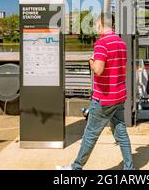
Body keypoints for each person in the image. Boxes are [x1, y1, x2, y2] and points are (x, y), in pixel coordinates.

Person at [56, 13, 134, 170]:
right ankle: (129, 168)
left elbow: (98, 70)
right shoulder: (121, 43)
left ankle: (76, 167)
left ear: (100, 25)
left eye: (95, 25)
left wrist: (91, 61)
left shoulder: (101, 43)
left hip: (104, 98)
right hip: (119, 95)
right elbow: (119, 68)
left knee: (90, 134)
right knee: (121, 132)